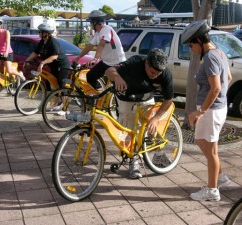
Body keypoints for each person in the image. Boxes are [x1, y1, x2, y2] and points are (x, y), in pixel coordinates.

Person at [181, 20, 232, 201]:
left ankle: (212, 190)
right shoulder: (219, 52)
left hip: (210, 111)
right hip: (218, 108)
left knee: (207, 148)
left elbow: (216, 88)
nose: (191, 49)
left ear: (199, 41)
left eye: (191, 45)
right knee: (212, 148)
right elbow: (229, 77)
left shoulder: (210, 57)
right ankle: (220, 177)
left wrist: (200, 111)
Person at [106, 48, 174, 179]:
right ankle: (134, 161)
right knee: (129, 130)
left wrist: (156, 118)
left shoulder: (165, 73)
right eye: (152, 72)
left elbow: (168, 100)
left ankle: (159, 156)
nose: (155, 76)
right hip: (126, 97)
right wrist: (117, 77)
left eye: (158, 74)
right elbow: (109, 71)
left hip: (146, 97)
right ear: (146, 63)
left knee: (152, 126)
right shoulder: (134, 62)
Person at [24, 23, 70, 114]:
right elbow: (35, 53)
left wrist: (42, 63)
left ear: (46, 33)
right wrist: (27, 60)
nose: (39, 33)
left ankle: (66, 109)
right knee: (54, 85)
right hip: (53, 66)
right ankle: (56, 104)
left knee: (62, 85)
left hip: (62, 65)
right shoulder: (42, 41)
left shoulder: (53, 42)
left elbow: (55, 56)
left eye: (40, 31)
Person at [73, 10, 126, 89]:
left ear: (95, 22)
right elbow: (90, 46)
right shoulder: (98, 33)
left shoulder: (107, 29)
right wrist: (78, 56)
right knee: (90, 76)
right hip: (106, 62)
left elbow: (102, 44)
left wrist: (95, 58)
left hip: (117, 63)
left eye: (91, 22)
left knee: (116, 87)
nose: (90, 24)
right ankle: (96, 97)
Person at [0, 17, 25, 83]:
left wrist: (6, 52)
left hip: (8, 52)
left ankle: (20, 74)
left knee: (9, 70)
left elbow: (8, 42)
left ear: (1, 25)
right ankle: (3, 81)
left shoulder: (6, 32)